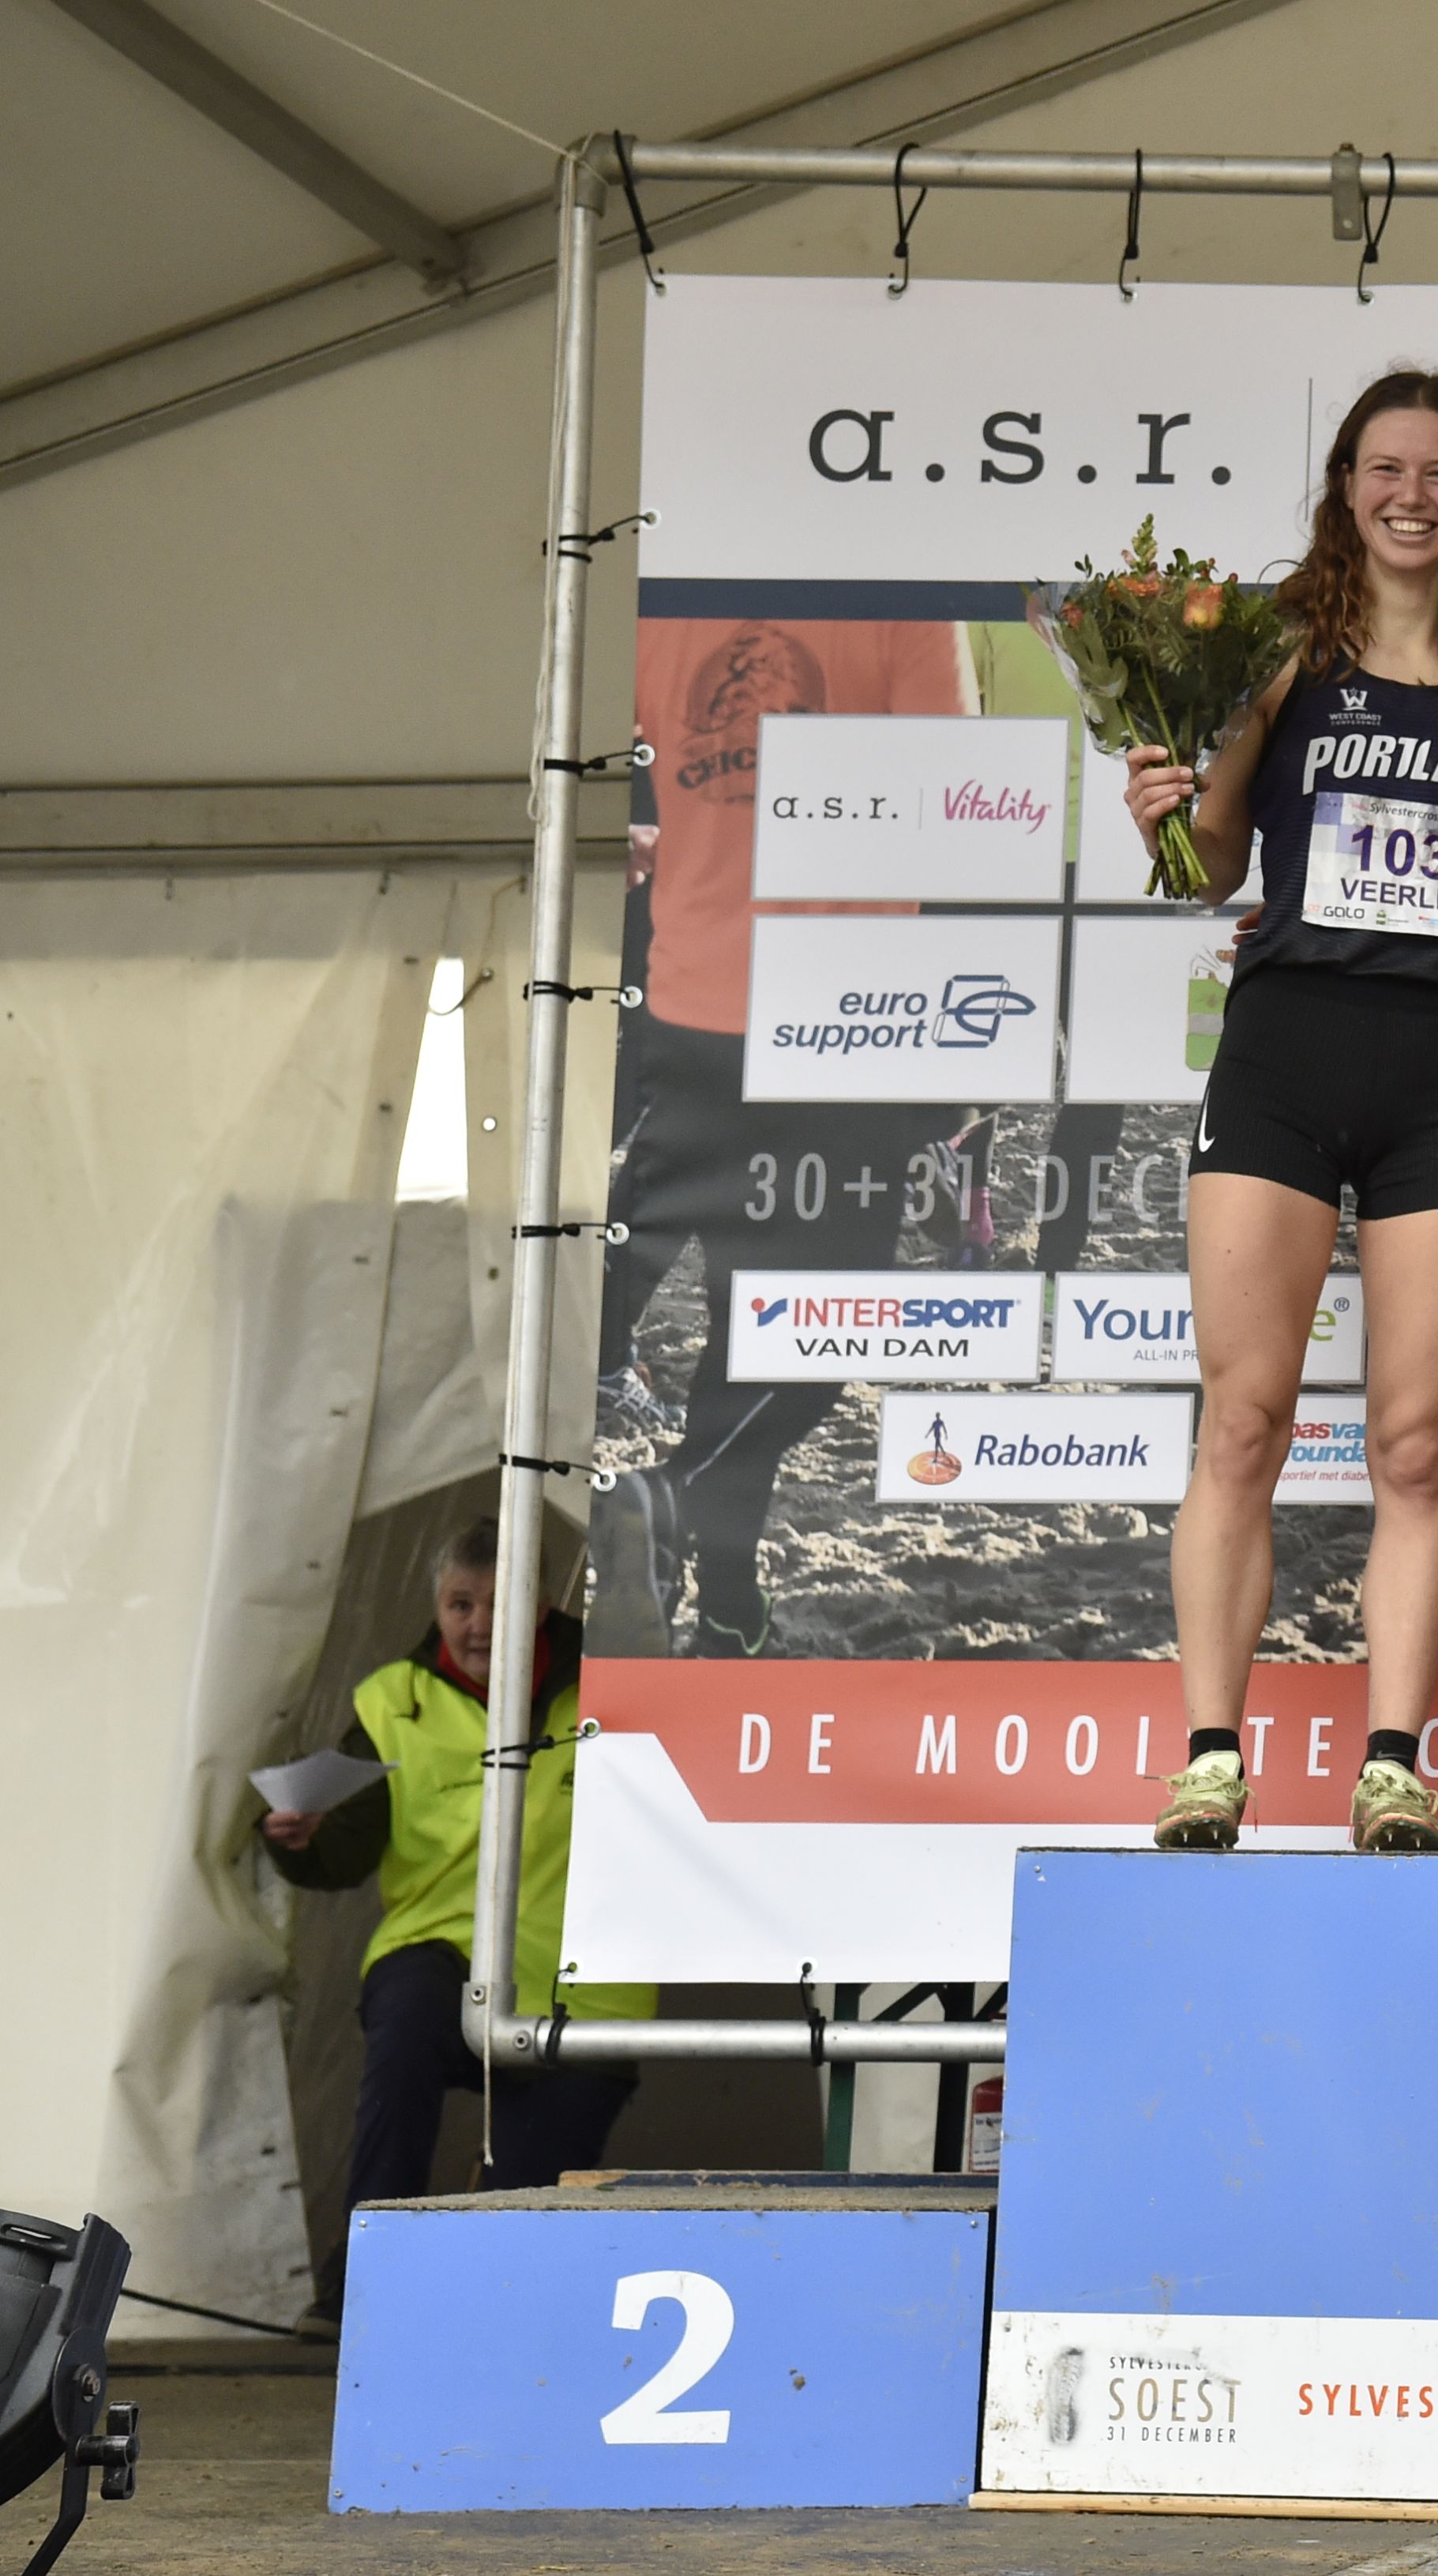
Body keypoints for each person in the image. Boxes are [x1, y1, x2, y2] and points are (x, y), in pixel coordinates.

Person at [1121, 370, 1438, 1855]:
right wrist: (1163, 815)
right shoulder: (1281, 651)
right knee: (1242, 1422)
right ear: (1346, 485)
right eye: (1385, 469)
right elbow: (1210, 865)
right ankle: (1210, 1757)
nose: (1410, 497)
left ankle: (1391, 1765)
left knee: (1414, 1446)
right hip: (1287, 1054)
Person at [599, 613, 975, 1654]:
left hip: (695, 1007)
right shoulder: (908, 602)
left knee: (747, 1329)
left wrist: (616, 834)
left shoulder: (667, 601)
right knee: (807, 1343)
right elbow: (956, 815)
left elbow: (563, 747)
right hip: (842, 1024)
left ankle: (727, 1601)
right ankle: (675, 1500)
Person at [261, 1523, 653, 2239]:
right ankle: (368, 2267)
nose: (478, 1625)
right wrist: (300, 1839)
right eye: (460, 1604)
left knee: (519, 2225)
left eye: (500, 1604)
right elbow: (345, 1846)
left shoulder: (617, 1689)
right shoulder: (392, 1700)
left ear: (541, 1606)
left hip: (586, 1987)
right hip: (441, 1950)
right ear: (437, 1607)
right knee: (405, 2030)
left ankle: (492, 2292)